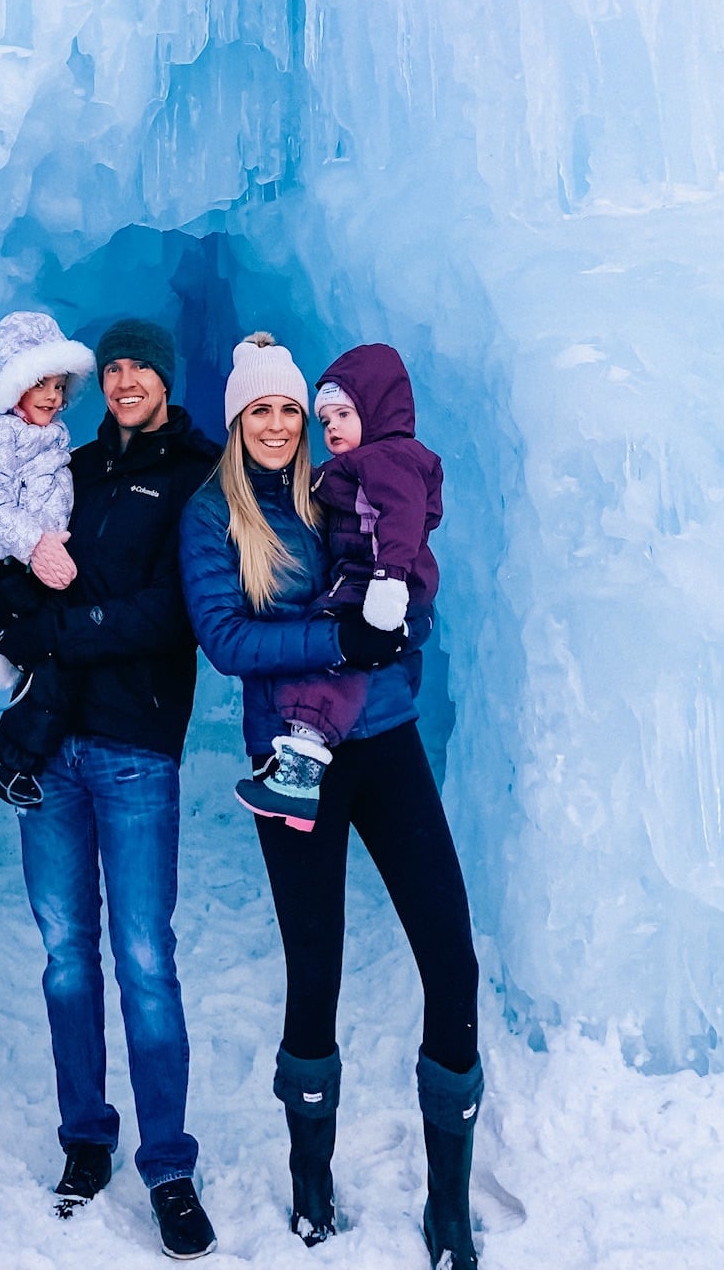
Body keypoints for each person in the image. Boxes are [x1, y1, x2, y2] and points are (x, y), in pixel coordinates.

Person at [179, 333, 483, 1268]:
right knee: (316, 974)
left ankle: (447, 1207)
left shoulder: (337, 485)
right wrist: (339, 641)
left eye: (289, 411)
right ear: (237, 421)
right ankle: (312, 1181)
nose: (277, 424)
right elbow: (226, 639)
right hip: (295, 759)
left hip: (385, 744)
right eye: (259, 411)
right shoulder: (210, 515)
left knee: (452, 958)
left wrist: (400, 620)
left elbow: (404, 577)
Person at [0, 315, 221, 1260]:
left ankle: (167, 1163)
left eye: (140, 368)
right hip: (55, 743)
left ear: (164, 378)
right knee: (65, 955)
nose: (126, 380)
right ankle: (86, 1138)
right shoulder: (67, 467)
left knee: (144, 959)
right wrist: (8, 605)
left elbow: (174, 613)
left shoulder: (196, 476)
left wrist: (57, 630)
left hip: (134, 746)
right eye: (113, 366)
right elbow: (19, 563)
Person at [234, 343, 444, 830]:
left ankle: (304, 763)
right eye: (325, 420)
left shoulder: (390, 460)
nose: (332, 429)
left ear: (375, 411)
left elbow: (404, 518)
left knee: (338, 651)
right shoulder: (359, 465)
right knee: (359, 647)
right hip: (368, 577)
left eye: (344, 415)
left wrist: (390, 580)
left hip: (379, 578)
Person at [0, 310, 95, 810]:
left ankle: (9, 662)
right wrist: (35, 543)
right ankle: (11, 757)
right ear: (14, 385)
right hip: (13, 566)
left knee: (63, 650)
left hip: (40, 562)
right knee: (59, 653)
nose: (54, 396)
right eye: (41, 384)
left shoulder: (48, 434)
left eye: (59, 386)